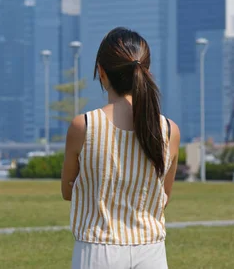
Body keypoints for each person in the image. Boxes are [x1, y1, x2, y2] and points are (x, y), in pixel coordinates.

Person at [61, 27, 181, 269]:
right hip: (151, 250)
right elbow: (163, 197)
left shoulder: (83, 127)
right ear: (145, 72)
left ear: (101, 72)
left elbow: (67, 190)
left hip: (97, 248)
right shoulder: (168, 130)